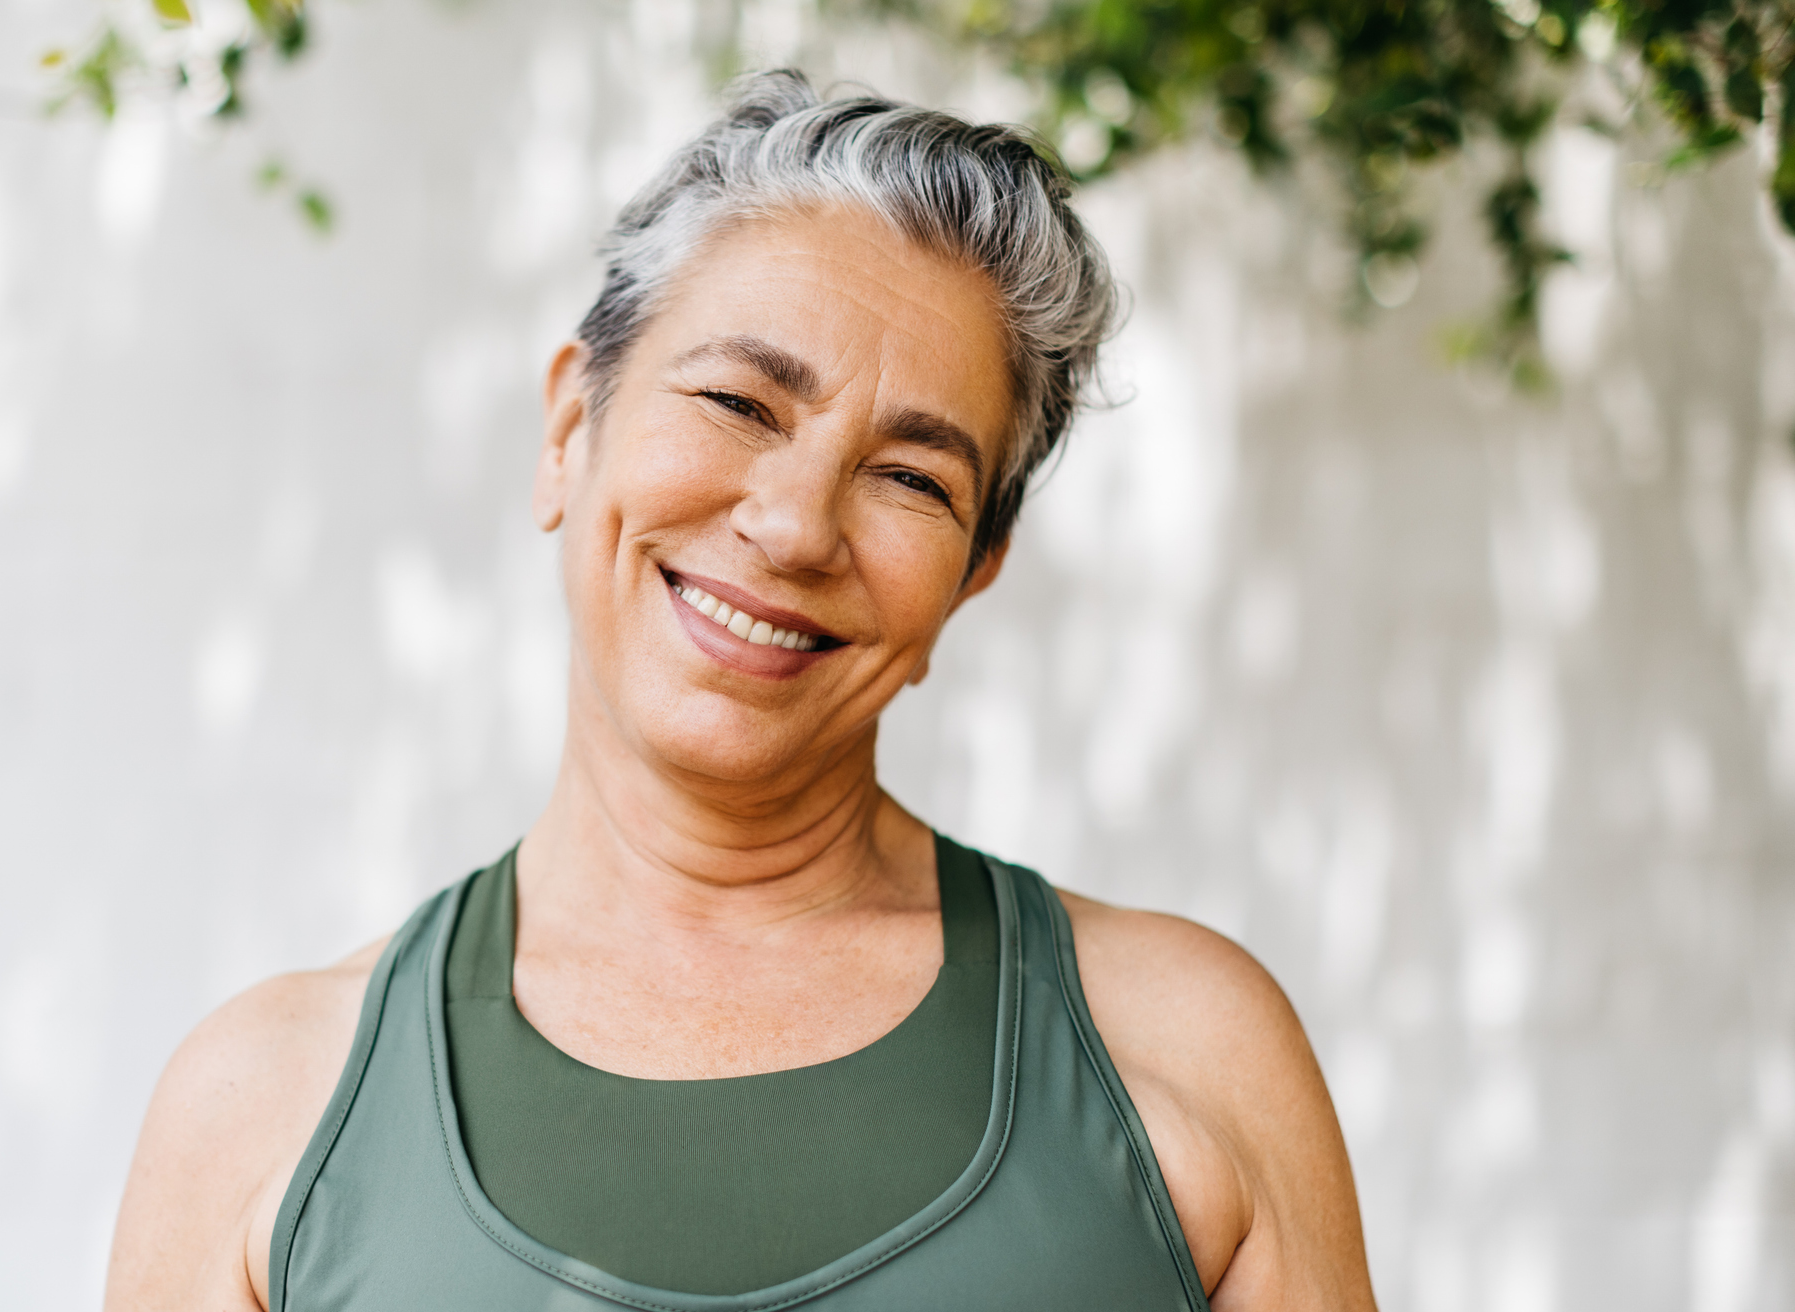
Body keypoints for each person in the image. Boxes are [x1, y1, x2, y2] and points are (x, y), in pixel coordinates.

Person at [105, 71, 1376, 1312]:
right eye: (734, 401)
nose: (792, 526)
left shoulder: (1181, 1046)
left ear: (975, 573)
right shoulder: (269, 1100)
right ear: (568, 431)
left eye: (912, 480)